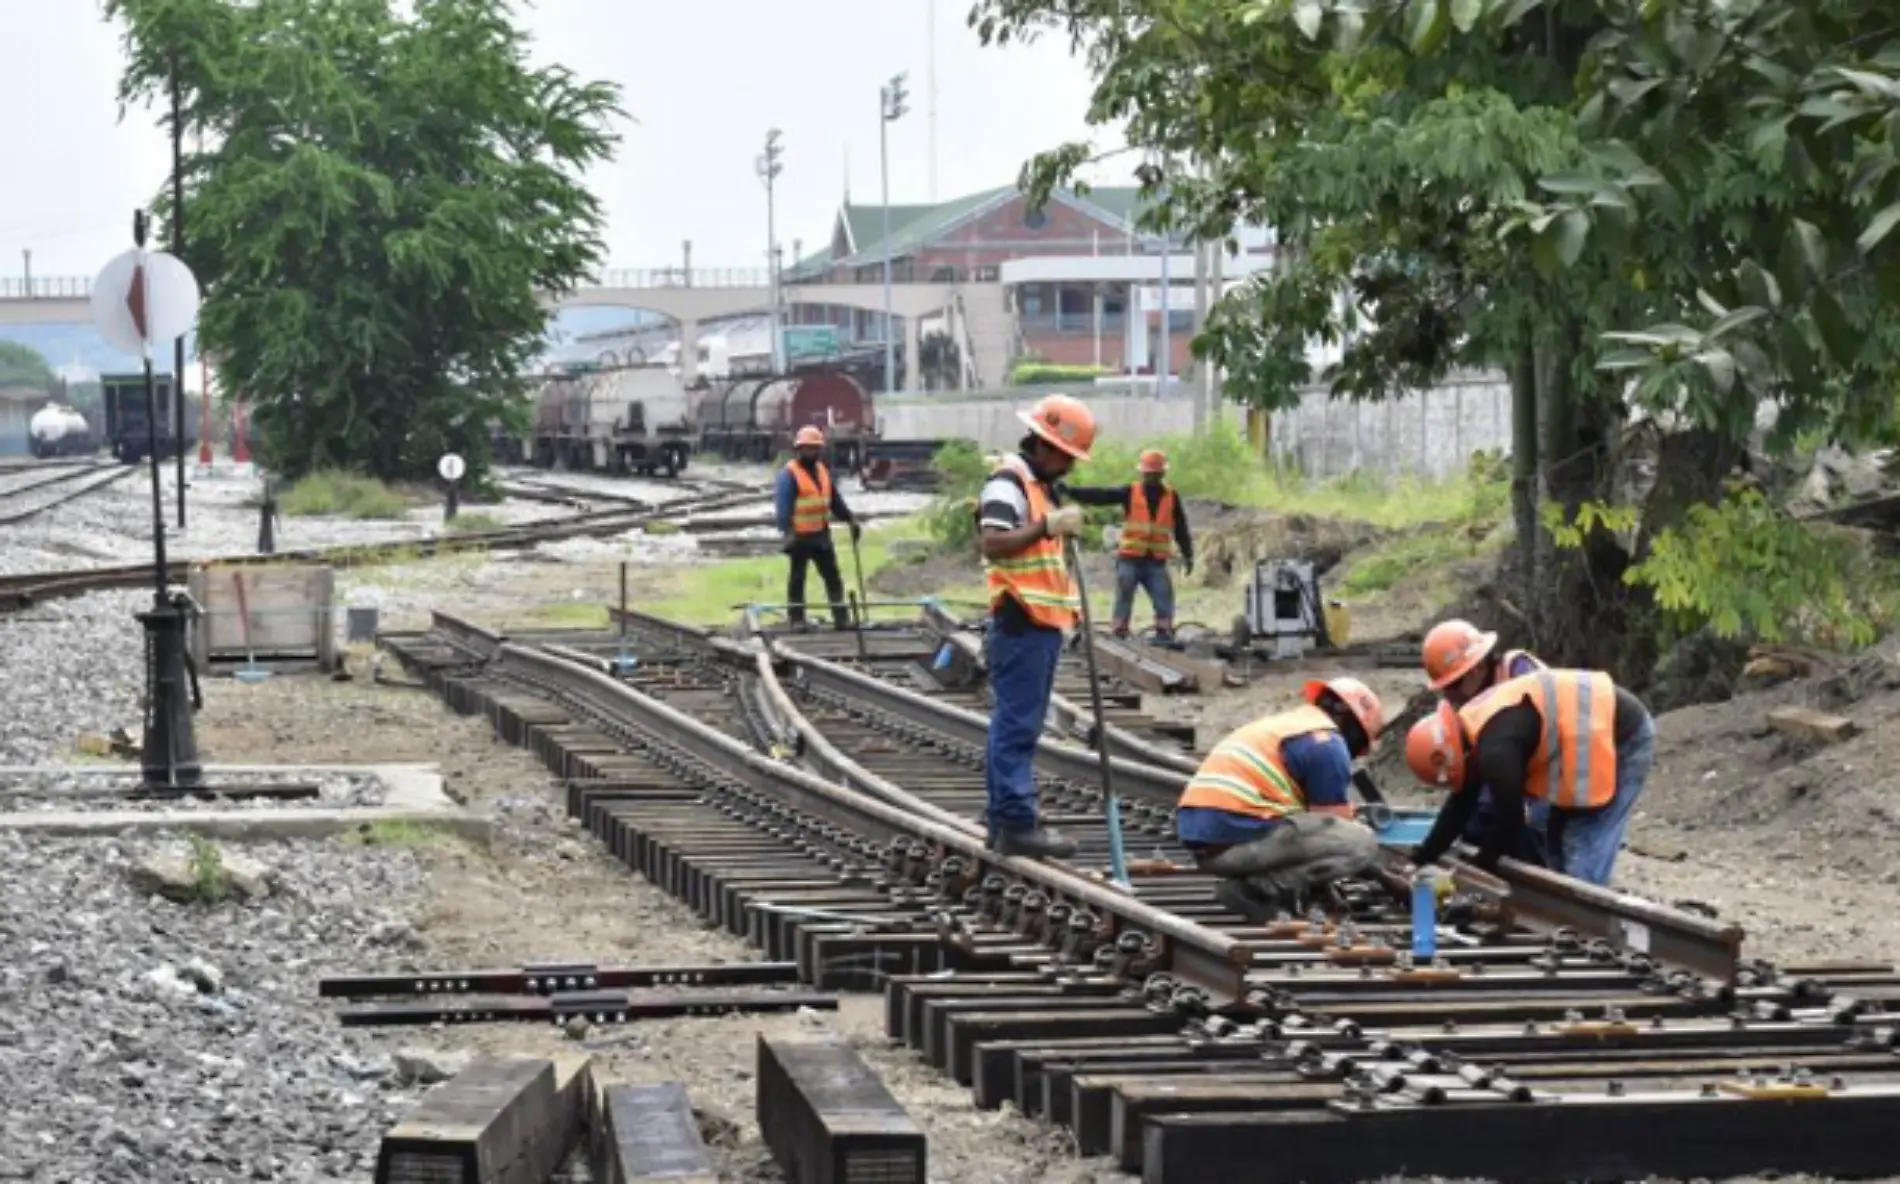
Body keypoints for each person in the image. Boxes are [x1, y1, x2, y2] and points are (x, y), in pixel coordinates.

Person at [976, 393, 1095, 859]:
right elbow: (993, 543)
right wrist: (1047, 525)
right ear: (1045, 444)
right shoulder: (1010, 482)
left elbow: (1045, 564)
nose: (1068, 467)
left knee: (1015, 722)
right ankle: (1015, 821)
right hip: (1021, 621)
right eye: (1066, 456)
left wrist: (1073, 613)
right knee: (1018, 725)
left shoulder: (1037, 487)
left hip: (1038, 623)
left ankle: (1003, 814)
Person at [1404, 667, 1657, 886]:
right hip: (1586, 736)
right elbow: (1460, 804)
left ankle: (1585, 920)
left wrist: (1480, 868)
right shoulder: (1474, 726)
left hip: (1622, 734)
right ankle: (1567, 907)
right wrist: (1422, 857)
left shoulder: (1496, 748)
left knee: (1583, 840)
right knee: (1556, 841)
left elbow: (1511, 819)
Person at [1176, 677, 1387, 921]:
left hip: (1208, 844)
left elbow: (1315, 839)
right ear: (1349, 721)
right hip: (1239, 839)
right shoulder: (1327, 743)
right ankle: (1258, 890)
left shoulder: (1288, 727)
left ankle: (1261, 886)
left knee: (1317, 827)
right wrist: (1387, 879)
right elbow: (1339, 836)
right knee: (1363, 840)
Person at [1421, 619, 1551, 865]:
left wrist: (1485, 860)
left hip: (1553, 764)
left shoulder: (1519, 673)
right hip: (1513, 766)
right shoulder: (1471, 705)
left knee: (1533, 831)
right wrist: (1426, 855)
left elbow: (1533, 743)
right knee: (1476, 824)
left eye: (1453, 685)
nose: (1450, 695)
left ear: (1476, 670)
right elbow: (1467, 790)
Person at [1062, 448, 1194, 643]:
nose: (1151, 477)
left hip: (1155, 561)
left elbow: (1181, 528)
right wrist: (1071, 491)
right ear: (1143, 473)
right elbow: (1102, 495)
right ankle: (1119, 631)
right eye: (1149, 473)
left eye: (1155, 473)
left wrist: (1188, 554)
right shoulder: (1131, 492)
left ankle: (1164, 633)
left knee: (1163, 595)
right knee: (1124, 593)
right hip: (1130, 558)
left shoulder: (1171, 497)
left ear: (1162, 473)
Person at [773, 426, 860, 630]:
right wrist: (788, 532)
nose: (811, 452)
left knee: (832, 576)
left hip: (820, 534)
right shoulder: (789, 474)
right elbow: (783, 508)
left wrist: (850, 519)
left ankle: (841, 619)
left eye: (815, 448)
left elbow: (834, 500)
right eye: (807, 448)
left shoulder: (822, 471)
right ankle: (796, 620)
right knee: (797, 578)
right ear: (798, 449)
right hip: (800, 536)